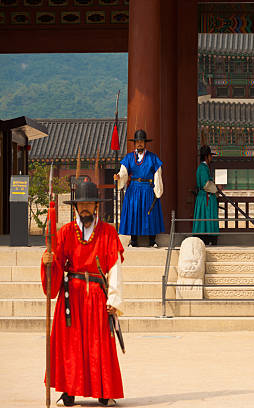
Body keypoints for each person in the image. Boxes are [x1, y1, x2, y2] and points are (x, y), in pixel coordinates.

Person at [41, 181, 124, 407]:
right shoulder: (66, 232)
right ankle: (68, 392)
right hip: (71, 297)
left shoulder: (108, 232)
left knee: (100, 345)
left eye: (89, 203)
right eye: (81, 204)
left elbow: (115, 266)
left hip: (97, 295)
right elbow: (56, 261)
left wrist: (114, 299)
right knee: (70, 346)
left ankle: (104, 391)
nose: (85, 207)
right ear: (76, 206)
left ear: (96, 206)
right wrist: (48, 262)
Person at [114, 129, 164, 247]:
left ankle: (152, 240)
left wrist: (157, 190)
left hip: (148, 188)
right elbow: (124, 172)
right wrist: (119, 177)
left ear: (145, 143)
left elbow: (158, 173)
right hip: (134, 189)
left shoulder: (152, 157)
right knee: (134, 212)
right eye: (137, 141)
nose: (139, 143)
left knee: (150, 213)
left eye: (142, 141)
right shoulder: (129, 157)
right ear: (134, 143)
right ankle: (134, 240)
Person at [193, 145, 220, 245]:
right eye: (210, 156)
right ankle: (207, 238)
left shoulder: (203, 167)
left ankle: (206, 238)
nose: (211, 158)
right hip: (206, 196)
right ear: (207, 156)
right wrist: (216, 190)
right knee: (207, 216)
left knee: (204, 217)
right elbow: (206, 184)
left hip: (204, 197)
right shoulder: (203, 168)